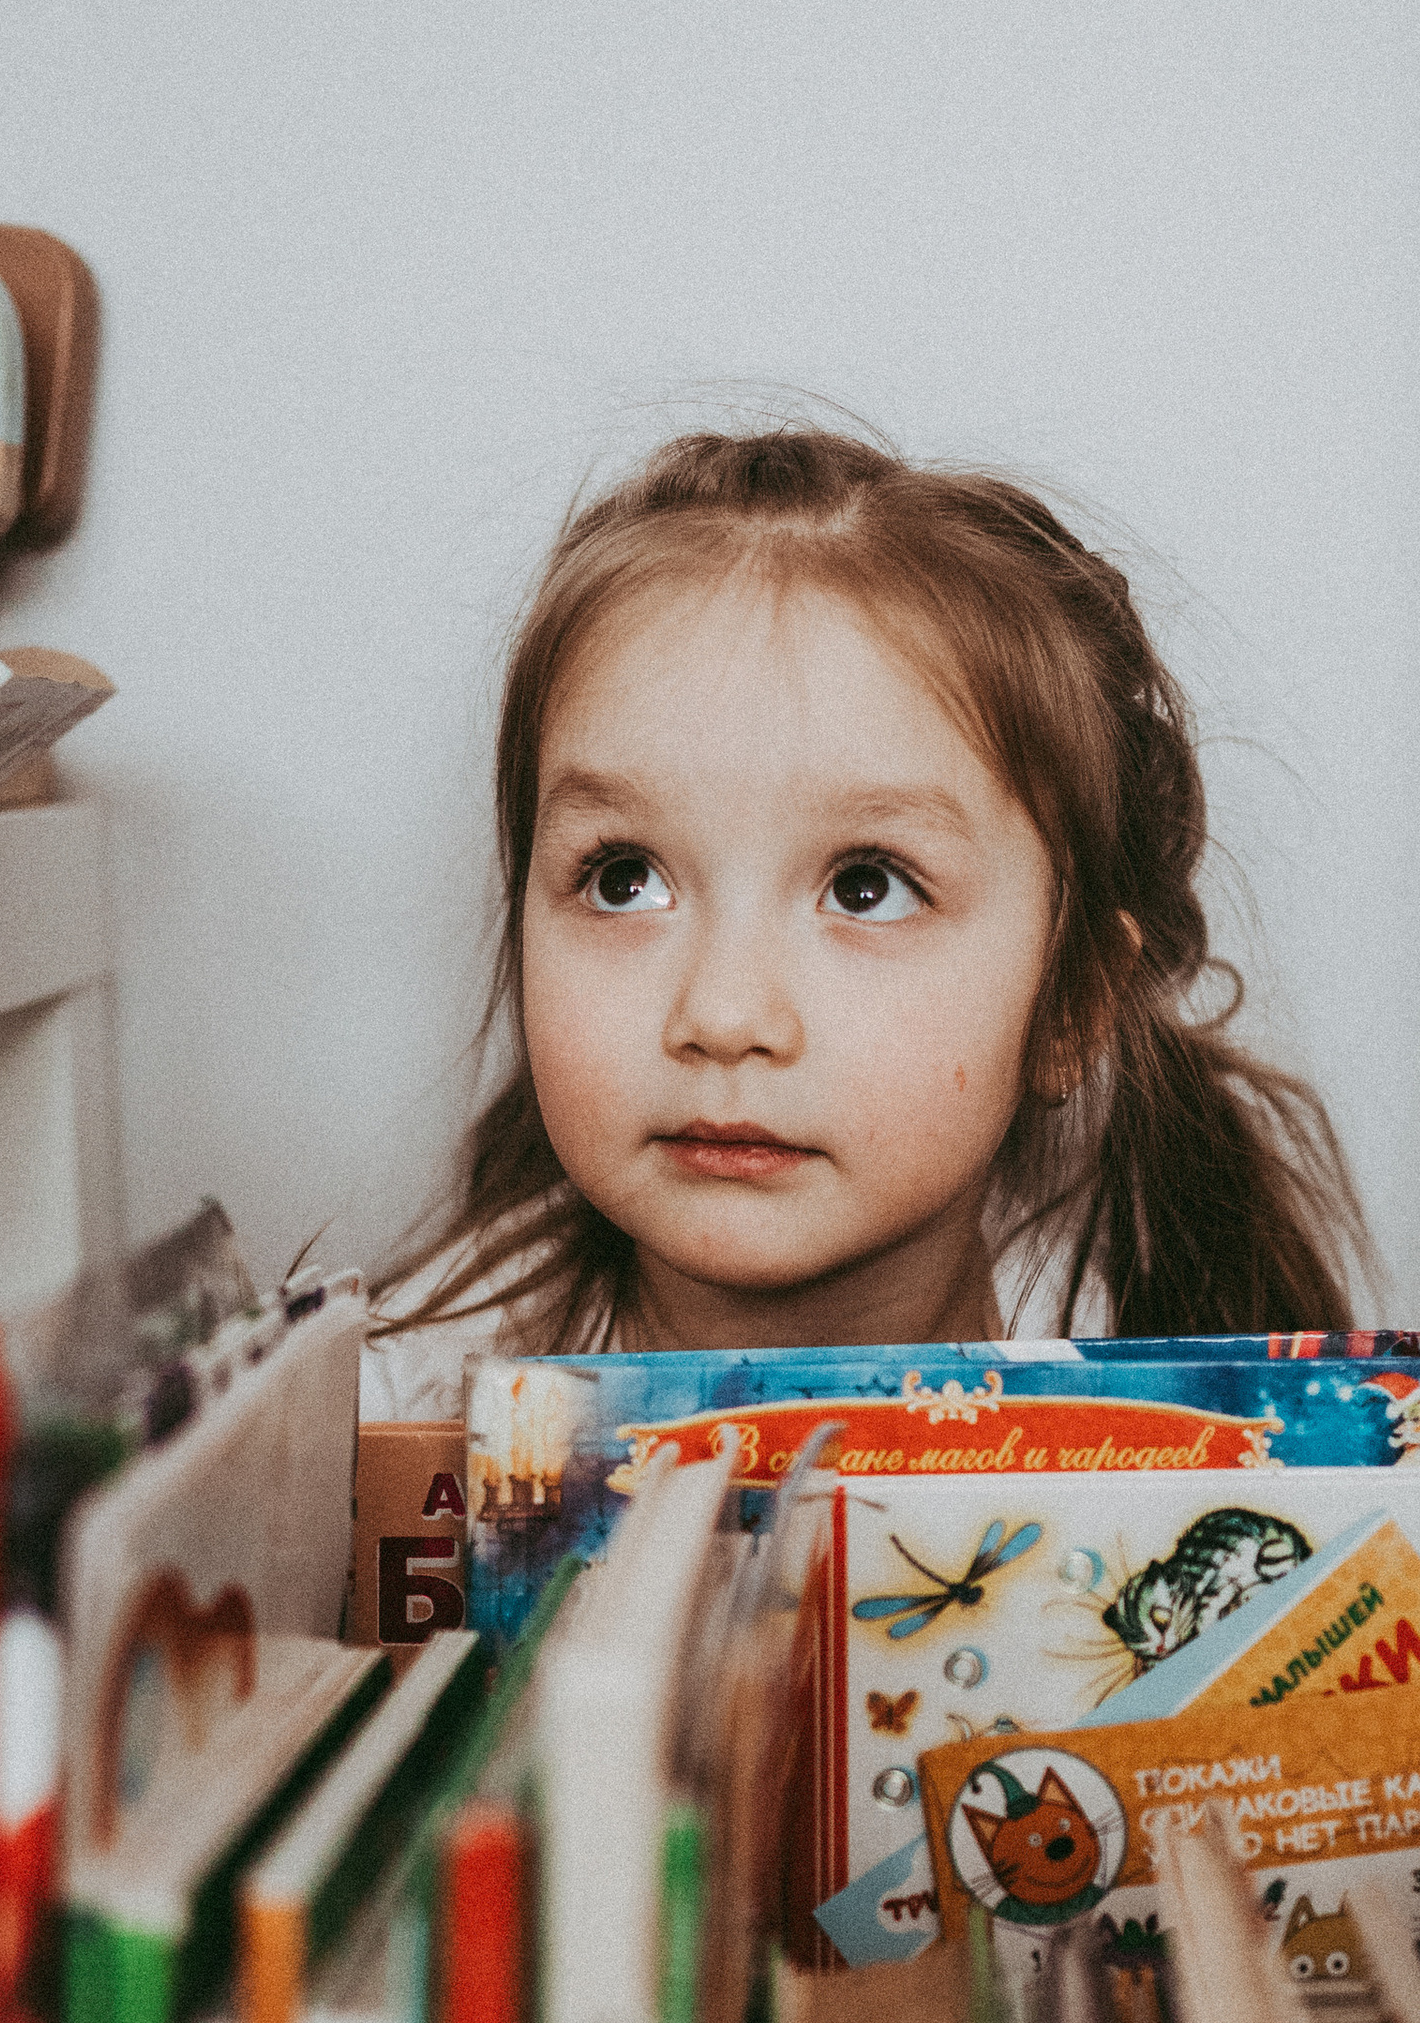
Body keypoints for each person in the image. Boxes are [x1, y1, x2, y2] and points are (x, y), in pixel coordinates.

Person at [358, 426, 1365, 1417]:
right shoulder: (390, 1426)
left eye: (866, 888)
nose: (722, 1012)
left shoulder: (1188, 1416)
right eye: (624, 879)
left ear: (1071, 1003)